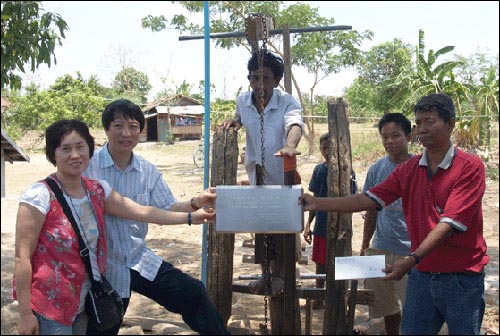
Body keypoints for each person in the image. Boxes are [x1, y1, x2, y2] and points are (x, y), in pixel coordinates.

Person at [300, 93, 489, 335]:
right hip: (422, 275)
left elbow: (448, 223)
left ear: (450, 124)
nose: (422, 129)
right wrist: (318, 203)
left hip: (460, 277)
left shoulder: (469, 166)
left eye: (429, 122)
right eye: (419, 122)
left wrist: (410, 260)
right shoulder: (409, 169)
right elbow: (367, 199)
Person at [13, 119, 215, 335]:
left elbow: (142, 211)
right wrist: (26, 314)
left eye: (80, 147)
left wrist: (192, 217)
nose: (75, 155)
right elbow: (22, 257)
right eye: (65, 149)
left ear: (89, 150)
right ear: (53, 154)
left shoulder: (97, 190)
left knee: (192, 292)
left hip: (83, 301)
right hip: (51, 305)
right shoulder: (39, 195)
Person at [83, 99, 230, 335]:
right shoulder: (88, 167)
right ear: (106, 129)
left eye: (133, 126)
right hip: (101, 267)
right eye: (118, 126)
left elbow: (167, 206)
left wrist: (195, 203)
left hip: (137, 258)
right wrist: (192, 217)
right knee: (104, 324)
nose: (126, 133)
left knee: (192, 293)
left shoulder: (147, 170)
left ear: (141, 131)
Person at [222, 50, 304, 296]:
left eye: (266, 78)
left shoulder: (287, 101)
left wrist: (290, 145)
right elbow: (240, 118)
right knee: (261, 228)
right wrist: (235, 122)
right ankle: (265, 274)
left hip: (282, 175)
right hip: (256, 176)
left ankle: (281, 274)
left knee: (283, 229)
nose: (260, 84)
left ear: (276, 80)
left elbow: (295, 124)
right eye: (255, 78)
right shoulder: (242, 101)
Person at [360, 113, 412, 335]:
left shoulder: (420, 167)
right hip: (381, 247)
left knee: (413, 309)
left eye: (396, 136)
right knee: (386, 308)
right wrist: (364, 244)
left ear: (409, 136)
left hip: (411, 253)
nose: (390, 141)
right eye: (385, 137)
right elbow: (371, 209)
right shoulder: (376, 170)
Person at [303, 133, 358, 310]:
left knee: (342, 261)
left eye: (330, 148)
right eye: (323, 148)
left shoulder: (347, 170)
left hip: (342, 225)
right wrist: (308, 225)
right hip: (321, 224)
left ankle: (341, 298)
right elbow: (315, 198)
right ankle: (320, 297)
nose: (326, 151)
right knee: (321, 262)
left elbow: (354, 198)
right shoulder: (319, 170)